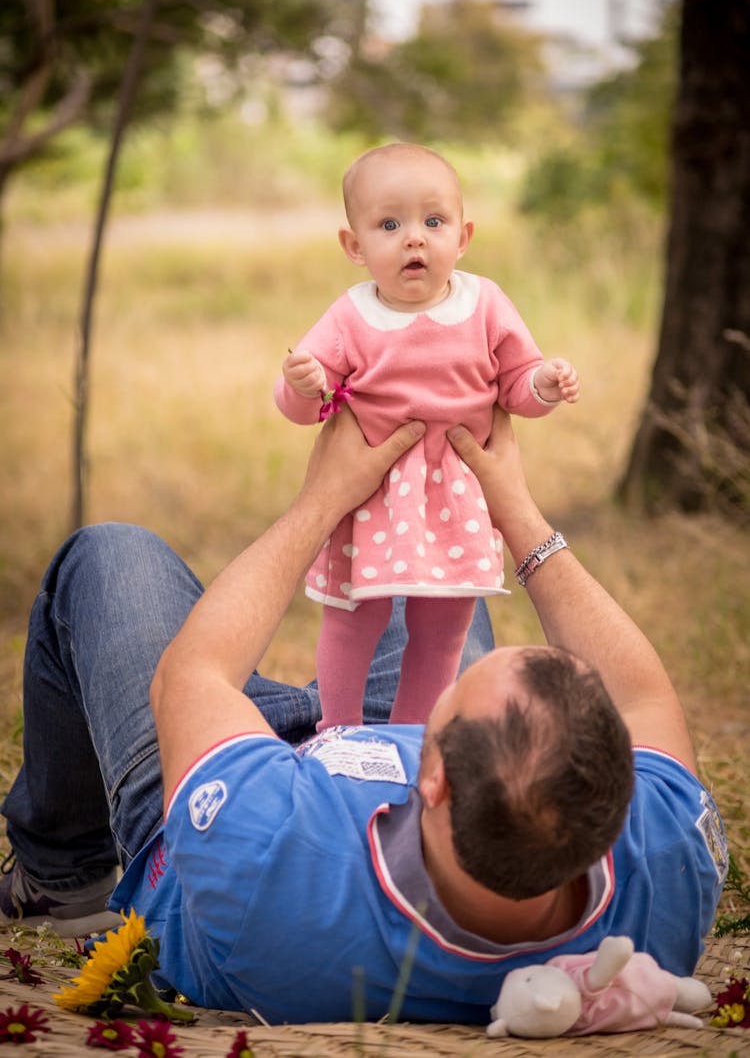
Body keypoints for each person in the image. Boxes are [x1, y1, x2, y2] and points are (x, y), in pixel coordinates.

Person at [0, 407, 726, 1027]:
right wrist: (516, 511)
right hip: (348, 777)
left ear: (431, 776)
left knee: (110, 556)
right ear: (616, 786)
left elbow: (190, 676)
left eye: (456, 689)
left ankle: (62, 876)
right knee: (426, 578)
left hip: (224, 807)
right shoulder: (664, 868)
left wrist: (321, 500)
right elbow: (647, 699)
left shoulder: (262, 868)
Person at [275, 142, 580, 730]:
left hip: (455, 497)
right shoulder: (350, 316)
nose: (414, 238)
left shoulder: (484, 303)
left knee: (443, 631)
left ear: (462, 238)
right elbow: (304, 408)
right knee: (351, 621)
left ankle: (411, 736)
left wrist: (543, 383)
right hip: (370, 494)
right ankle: (338, 730)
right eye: (389, 224)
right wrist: (302, 383)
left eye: (432, 221)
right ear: (355, 247)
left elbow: (514, 385)